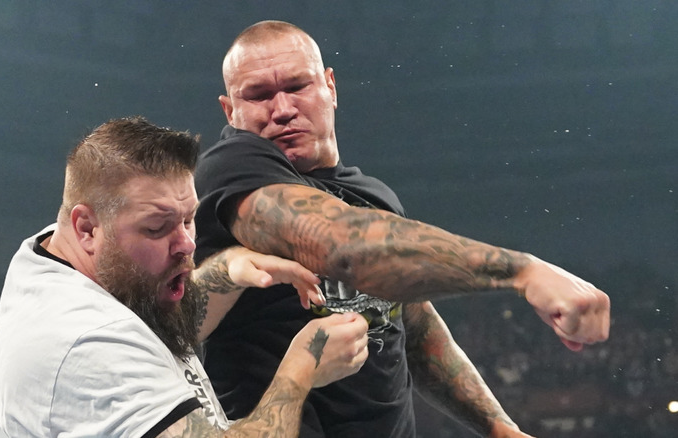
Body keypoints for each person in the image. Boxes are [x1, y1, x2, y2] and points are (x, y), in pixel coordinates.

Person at [193, 20, 611, 437]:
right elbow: (342, 245)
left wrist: (499, 427)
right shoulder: (231, 168)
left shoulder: (373, 196)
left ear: (330, 87)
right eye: (259, 95)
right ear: (231, 111)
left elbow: (413, 326)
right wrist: (521, 270)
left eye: (298, 86)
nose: (282, 109)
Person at [0, 116, 370, 437]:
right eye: (158, 227)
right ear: (87, 228)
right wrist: (302, 367)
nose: (187, 244)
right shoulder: (88, 343)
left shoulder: (56, 254)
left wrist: (226, 270)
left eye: (189, 220)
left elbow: (154, 312)